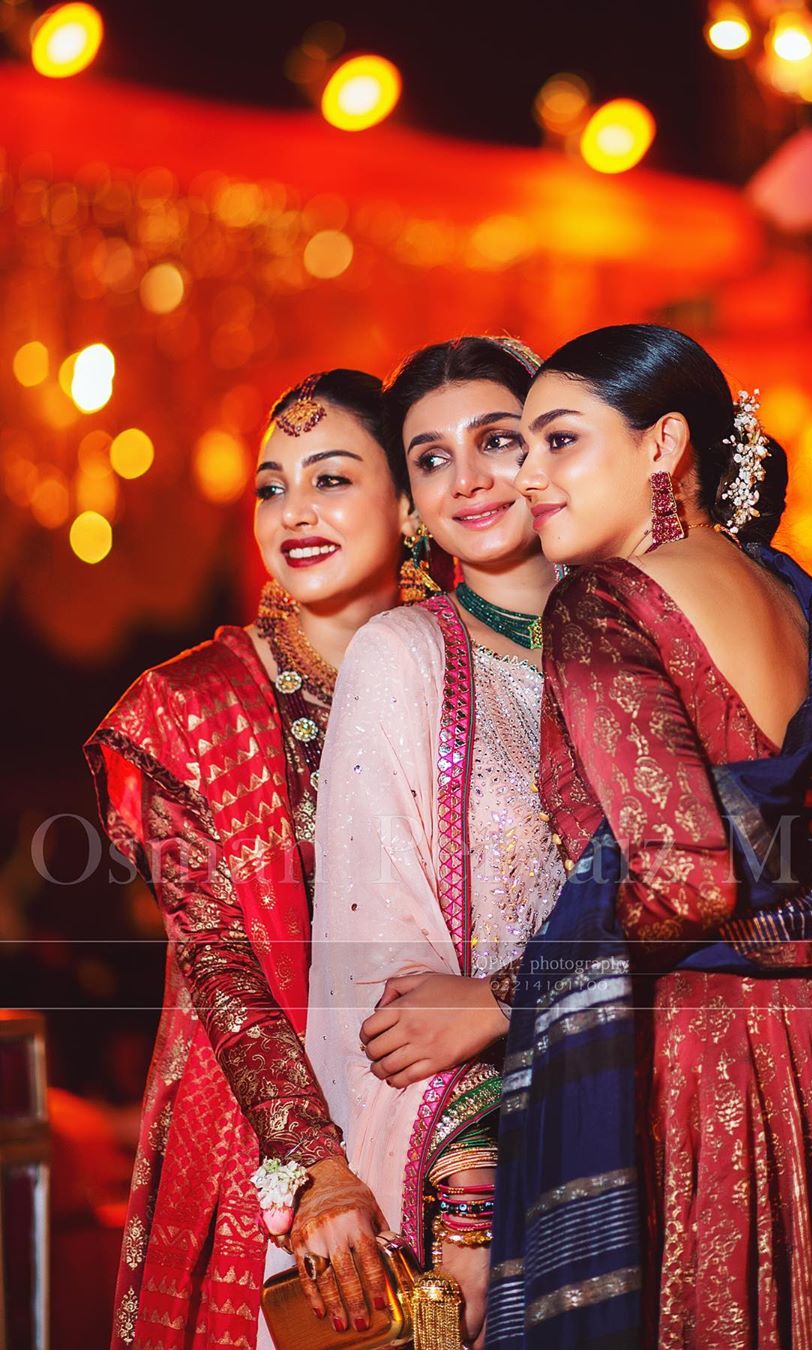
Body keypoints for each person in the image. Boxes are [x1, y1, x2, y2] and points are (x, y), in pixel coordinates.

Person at [489, 324, 812, 1349]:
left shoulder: (602, 608)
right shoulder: (799, 597)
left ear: (662, 445)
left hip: (711, 1058)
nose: (527, 474)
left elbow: (687, 880)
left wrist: (498, 1003)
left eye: (560, 441)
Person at [85, 370, 412, 1349]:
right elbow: (222, 964)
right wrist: (317, 1168)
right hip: (263, 1135)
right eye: (273, 487)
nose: (295, 512)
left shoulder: (479, 673)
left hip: (450, 1091)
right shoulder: (192, 708)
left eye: (331, 479)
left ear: (410, 499)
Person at [287, 336, 566, 1348]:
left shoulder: (638, 645)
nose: (470, 479)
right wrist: (468, 1198)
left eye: (497, 439)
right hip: (501, 1160)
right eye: (431, 458)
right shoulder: (403, 659)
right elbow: (387, 979)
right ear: (409, 504)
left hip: (665, 1108)